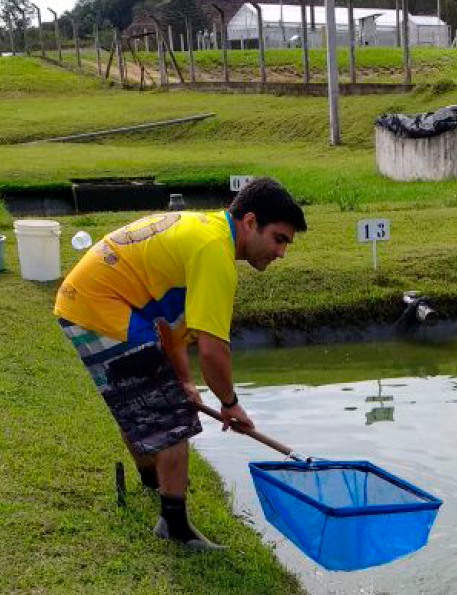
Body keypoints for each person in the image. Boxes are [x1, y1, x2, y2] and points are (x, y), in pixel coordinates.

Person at [54, 177, 306, 550]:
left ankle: (152, 482)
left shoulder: (205, 231)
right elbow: (212, 349)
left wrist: (184, 381)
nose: (281, 252)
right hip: (102, 304)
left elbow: (169, 327)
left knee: (144, 398)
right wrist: (230, 403)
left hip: (93, 300)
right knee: (172, 420)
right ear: (250, 222)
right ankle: (173, 524)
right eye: (279, 239)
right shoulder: (215, 252)